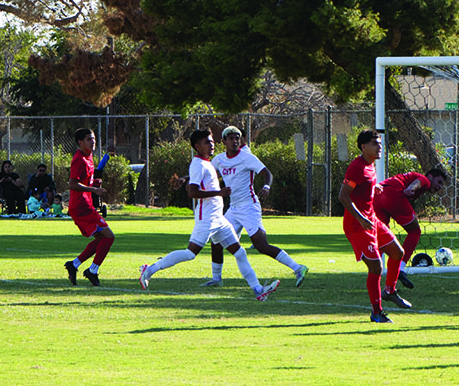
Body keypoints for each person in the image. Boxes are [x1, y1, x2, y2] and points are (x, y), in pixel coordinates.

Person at [139, 130, 279, 301]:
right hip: (207, 218)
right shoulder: (198, 164)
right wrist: (219, 192)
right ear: (197, 146)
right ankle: (150, 270)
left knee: (240, 253)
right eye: (207, 142)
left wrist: (184, 179)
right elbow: (192, 192)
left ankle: (258, 291)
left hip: (219, 219)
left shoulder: (207, 163)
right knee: (190, 253)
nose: (211, 145)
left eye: (212, 141)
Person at [200, 126, 309, 289]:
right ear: (224, 141)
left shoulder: (247, 157)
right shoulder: (219, 159)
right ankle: (217, 279)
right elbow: (205, 173)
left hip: (249, 207)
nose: (235, 141)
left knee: (261, 245)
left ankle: (298, 268)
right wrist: (185, 179)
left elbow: (267, 174)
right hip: (234, 209)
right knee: (216, 240)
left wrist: (266, 187)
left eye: (237, 138)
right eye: (231, 138)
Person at [338, 129, 410, 323]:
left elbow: (363, 185)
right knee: (376, 267)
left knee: (397, 252)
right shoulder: (356, 167)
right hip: (357, 224)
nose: (380, 147)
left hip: (372, 221)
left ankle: (390, 291)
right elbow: (343, 196)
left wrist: (374, 187)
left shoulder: (370, 165)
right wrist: (361, 218)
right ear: (363, 146)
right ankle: (377, 312)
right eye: (375, 143)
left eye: (379, 143)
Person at [373, 168, 448, 290]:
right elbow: (419, 182)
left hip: (378, 194)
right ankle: (400, 269)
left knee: (382, 237)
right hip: (392, 193)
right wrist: (411, 188)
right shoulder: (425, 180)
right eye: (439, 182)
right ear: (430, 176)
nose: (439, 187)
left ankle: (375, 274)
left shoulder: (409, 177)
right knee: (415, 231)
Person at [64, 128, 116, 286]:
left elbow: (85, 180)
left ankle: (74, 265)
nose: (92, 142)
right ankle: (92, 270)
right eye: (88, 139)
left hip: (85, 205)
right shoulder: (79, 159)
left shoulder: (89, 156)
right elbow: (72, 183)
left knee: (101, 238)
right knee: (109, 236)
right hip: (80, 207)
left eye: (93, 139)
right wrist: (93, 189)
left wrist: (94, 184)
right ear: (80, 142)